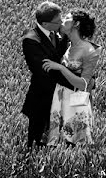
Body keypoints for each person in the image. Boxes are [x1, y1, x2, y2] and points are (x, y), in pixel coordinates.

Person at [42, 8, 102, 146]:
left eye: (66, 18)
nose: (62, 21)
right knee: (59, 144)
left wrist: (60, 68)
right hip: (61, 97)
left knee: (74, 143)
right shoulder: (68, 45)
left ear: (76, 24)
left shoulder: (89, 50)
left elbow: (84, 84)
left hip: (76, 100)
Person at [21, 1, 76, 149]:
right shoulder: (31, 40)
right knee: (36, 141)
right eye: (58, 21)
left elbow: (60, 55)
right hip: (43, 96)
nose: (62, 23)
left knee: (63, 138)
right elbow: (43, 70)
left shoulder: (56, 34)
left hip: (60, 93)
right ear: (45, 24)